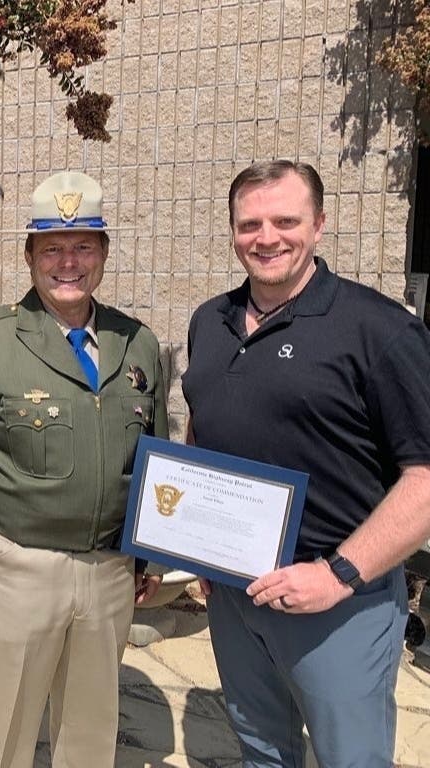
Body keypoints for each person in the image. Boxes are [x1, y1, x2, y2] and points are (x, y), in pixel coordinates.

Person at [0, 171, 169, 768]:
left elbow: (154, 459)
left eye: (83, 246)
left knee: (90, 740)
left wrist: (148, 555)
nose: (68, 262)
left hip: (108, 576)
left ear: (103, 253)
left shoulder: (138, 344)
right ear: (30, 256)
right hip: (17, 575)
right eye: (52, 247)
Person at [182, 159, 430, 768]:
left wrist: (338, 574)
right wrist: (196, 544)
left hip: (339, 605)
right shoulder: (208, 321)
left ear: (319, 224)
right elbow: (201, 430)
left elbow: (424, 479)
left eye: (285, 220)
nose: (266, 237)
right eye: (250, 223)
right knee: (262, 750)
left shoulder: (380, 331)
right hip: (236, 596)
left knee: (352, 759)